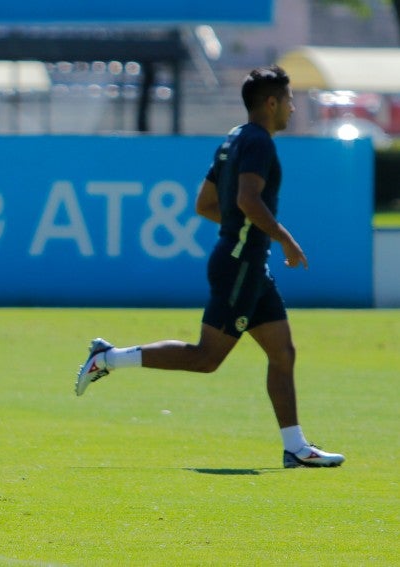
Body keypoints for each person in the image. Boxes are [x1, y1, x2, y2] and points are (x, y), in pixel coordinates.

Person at [75, 65, 345, 469]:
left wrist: (246, 230)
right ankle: (109, 357)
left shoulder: (233, 139)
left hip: (249, 265)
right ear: (271, 103)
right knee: (206, 358)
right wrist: (285, 239)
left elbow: (205, 204)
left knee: (282, 352)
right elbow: (248, 201)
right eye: (288, 99)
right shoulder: (258, 142)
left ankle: (295, 447)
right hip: (240, 266)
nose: (292, 107)